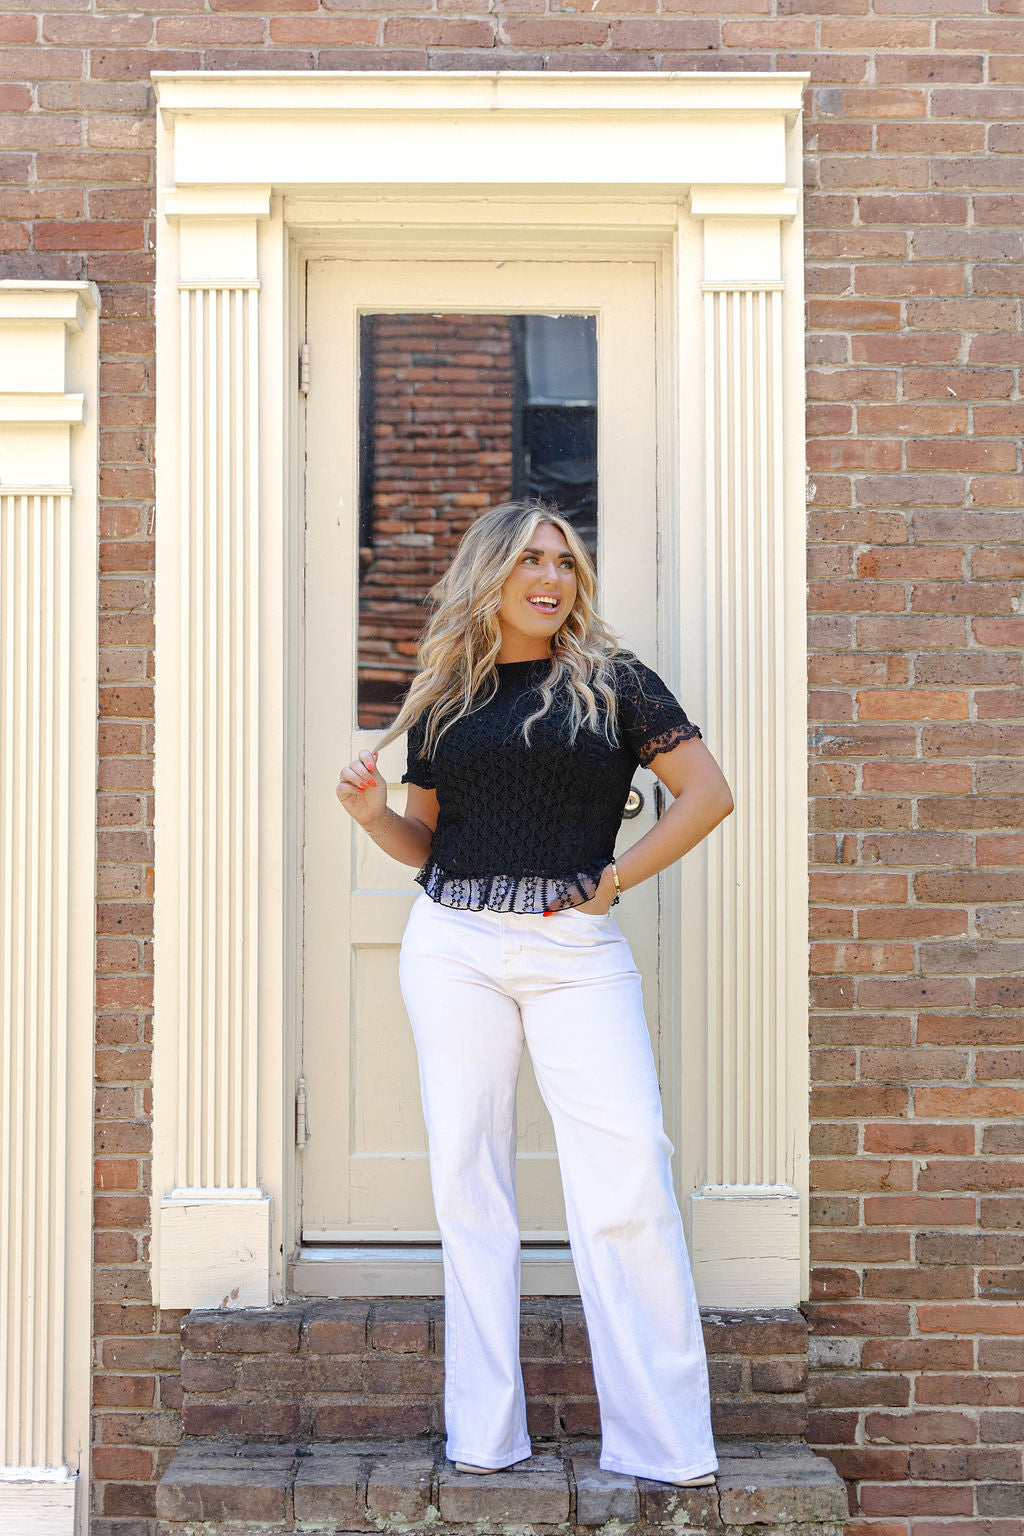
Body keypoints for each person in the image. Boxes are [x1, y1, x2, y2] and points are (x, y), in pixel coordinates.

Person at [336, 500, 733, 1487]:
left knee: (628, 1170)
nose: (550, 578)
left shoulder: (616, 682)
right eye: (529, 562)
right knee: (469, 1182)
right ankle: (485, 1435)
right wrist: (373, 816)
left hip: (575, 950)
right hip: (454, 945)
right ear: (490, 576)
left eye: (563, 561)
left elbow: (708, 794)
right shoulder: (447, 697)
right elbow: (427, 843)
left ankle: (666, 1445)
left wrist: (616, 878)